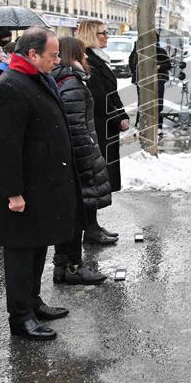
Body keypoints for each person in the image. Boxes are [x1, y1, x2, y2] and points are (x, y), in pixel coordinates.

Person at [0, 27, 77, 341]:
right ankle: (20, 317)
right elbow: (6, 146)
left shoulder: (37, 77)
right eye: (53, 55)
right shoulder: (11, 86)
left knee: (38, 247)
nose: (57, 60)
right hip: (23, 190)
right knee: (20, 255)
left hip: (44, 186)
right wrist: (13, 192)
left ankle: (33, 301)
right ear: (32, 54)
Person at [51, 37, 110, 285]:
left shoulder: (65, 78)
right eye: (83, 54)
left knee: (71, 214)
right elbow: (76, 127)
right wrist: (88, 160)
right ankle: (73, 267)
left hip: (72, 157)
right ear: (73, 55)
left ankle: (63, 265)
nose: (87, 58)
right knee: (75, 215)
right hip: (77, 159)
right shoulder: (72, 82)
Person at [77, 19, 125, 245]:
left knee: (100, 177)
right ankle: (90, 227)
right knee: (95, 178)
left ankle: (93, 225)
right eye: (102, 33)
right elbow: (99, 97)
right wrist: (118, 118)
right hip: (99, 126)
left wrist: (122, 114)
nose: (106, 36)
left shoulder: (98, 58)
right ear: (90, 35)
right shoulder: (89, 60)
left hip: (106, 125)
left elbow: (112, 93)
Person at [128, 35, 172, 128]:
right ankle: (140, 123)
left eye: (155, 38)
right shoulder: (138, 50)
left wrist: (159, 66)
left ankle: (158, 124)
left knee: (158, 102)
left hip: (158, 79)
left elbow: (168, 64)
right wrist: (136, 73)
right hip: (142, 80)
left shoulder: (161, 51)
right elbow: (132, 62)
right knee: (142, 102)